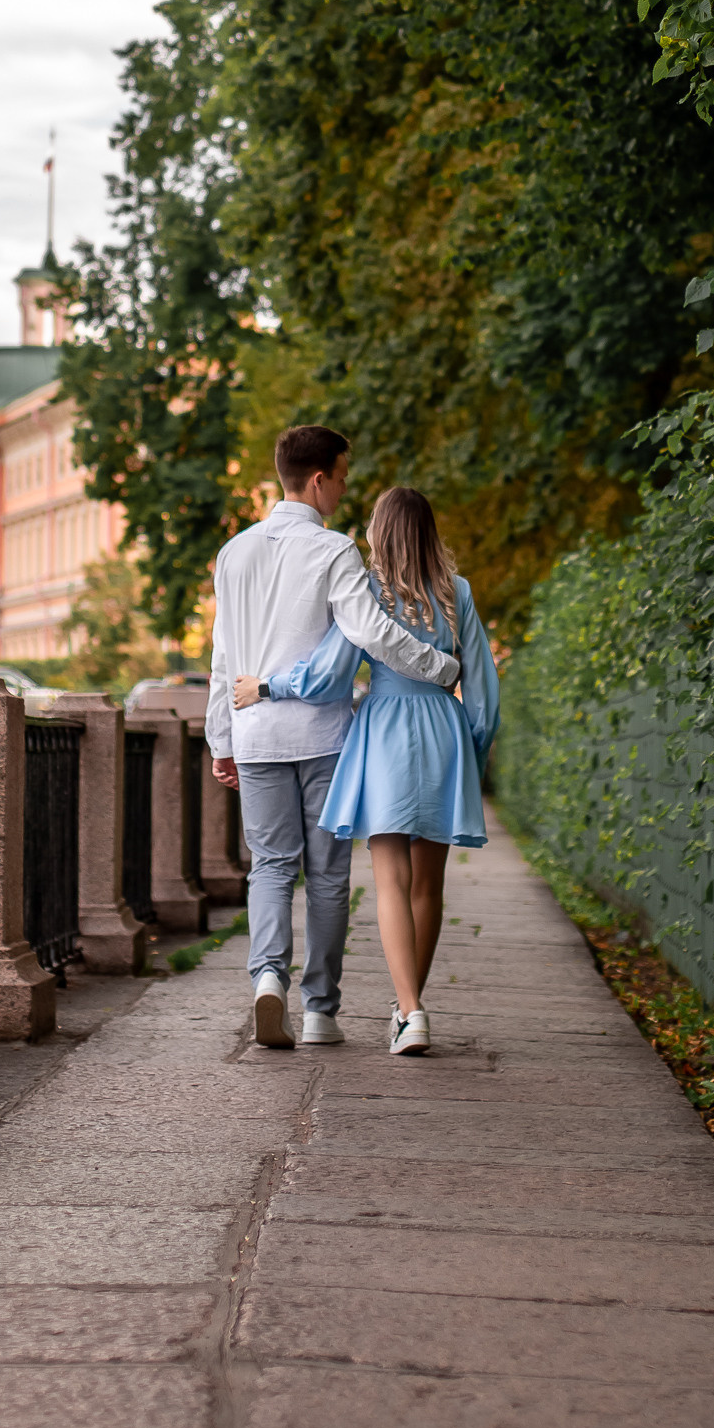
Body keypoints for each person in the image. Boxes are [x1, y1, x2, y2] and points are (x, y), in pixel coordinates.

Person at [207, 425, 465, 1050]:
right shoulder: (335, 552)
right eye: (344, 476)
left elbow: (223, 655)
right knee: (325, 876)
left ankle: (269, 977)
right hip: (324, 736)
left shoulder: (233, 553)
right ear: (318, 479)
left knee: (269, 865)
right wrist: (440, 668)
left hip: (257, 732)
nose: (345, 488)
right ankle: (321, 1010)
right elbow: (370, 633)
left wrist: (222, 738)